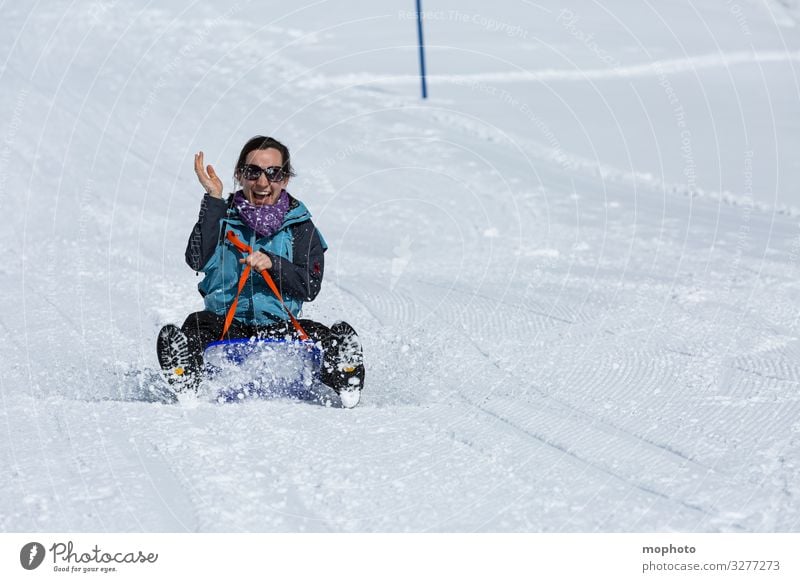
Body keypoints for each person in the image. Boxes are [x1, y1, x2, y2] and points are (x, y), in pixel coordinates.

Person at [156, 135, 364, 400]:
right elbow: (196, 259)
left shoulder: (300, 227)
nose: (263, 182)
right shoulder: (221, 217)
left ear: (285, 179)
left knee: (322, 337)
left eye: (273, 173)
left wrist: (273, 264)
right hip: (225, 323)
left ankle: (345, 375)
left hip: (280, 323)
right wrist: (213, 200)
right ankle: (185, 377)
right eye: (253, 172)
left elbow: (310, 286)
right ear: (240, 175)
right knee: (195, 327)